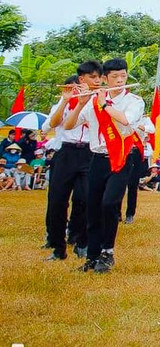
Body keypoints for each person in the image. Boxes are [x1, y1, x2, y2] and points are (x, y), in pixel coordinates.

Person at [66, 58, 144, 274]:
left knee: (110, 204)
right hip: (98, 159)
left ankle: (107, 252)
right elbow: (69, 125)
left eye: (123, 76)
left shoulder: (134, 101)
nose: (120, 80)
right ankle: (92, 255)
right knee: (92, 208)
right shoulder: (93, 101)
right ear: (104, 79)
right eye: (114, 76)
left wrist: (104, 104)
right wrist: (80, 103)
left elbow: (125, 121)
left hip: (121, 158)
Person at [43, 68, 98, 262]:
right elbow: (52, 123)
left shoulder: (97, 101)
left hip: (88, 153)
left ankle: (80, 241)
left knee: (84, 199)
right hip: (66, 152)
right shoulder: (64, 100)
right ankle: (57, 246)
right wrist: (66, 101)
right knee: (57, 201)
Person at [125, 116, 155, 223]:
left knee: (133, 184)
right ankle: (116, 213)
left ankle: (130, 213)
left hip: (135, 151)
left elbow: (152, 129)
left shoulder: (144, 119)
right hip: (122, 150)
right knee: (119, 183)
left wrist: (143, 128)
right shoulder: (123, 114)